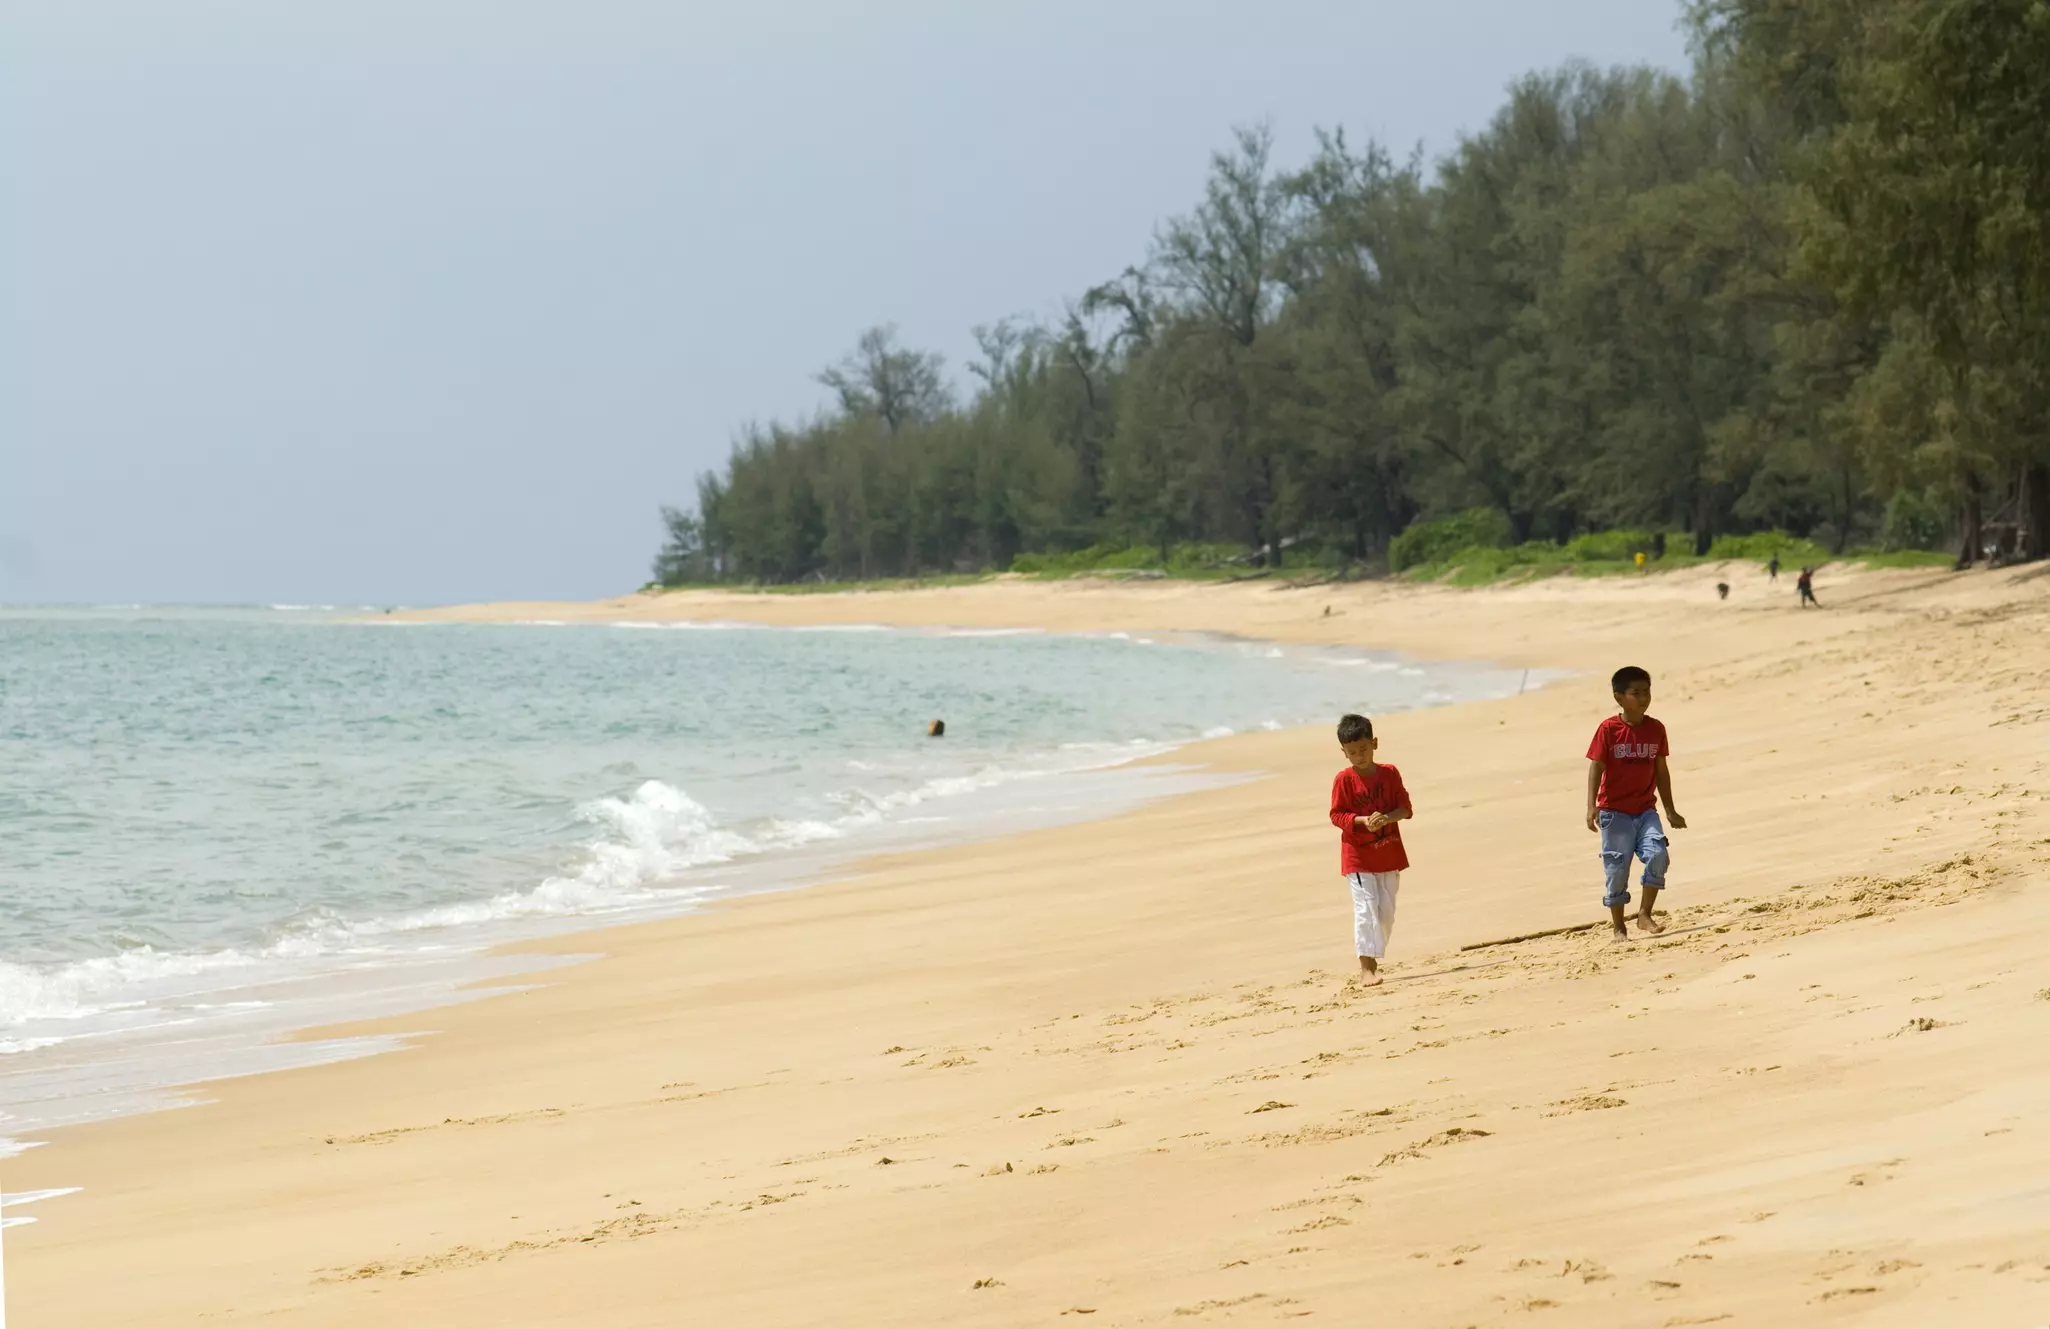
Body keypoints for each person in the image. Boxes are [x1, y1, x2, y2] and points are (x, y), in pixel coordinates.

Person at [1585, 666, 1686, 942]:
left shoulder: (1656, 729)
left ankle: (1644, 914)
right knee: (1617, 869)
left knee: (1657, 854)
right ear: (1619, 697)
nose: (1643, 698)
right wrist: (1591, 805)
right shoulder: (1609, 729)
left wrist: (1669, 809)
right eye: (1636, 693)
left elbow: (1661, 771)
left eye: (1647, 692)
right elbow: (1596, 765)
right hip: (1614, 813)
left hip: (1645, 810)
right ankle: (1619, 926)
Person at [1328, 713, 1412, 987]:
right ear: (1344, 753)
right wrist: (1362, 821)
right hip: (1358, 857)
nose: (1359, 756)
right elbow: (1337, 815)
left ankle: (1374, 958)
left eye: (1363, 749)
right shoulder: (1344, 780)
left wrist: (1386, 818)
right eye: (1352, 752)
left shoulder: (1389, 773)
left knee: (1386, 912)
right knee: (1366, 908)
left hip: (1389, 853)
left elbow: (1405, 809)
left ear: (1374, 743)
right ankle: (1366, 967)